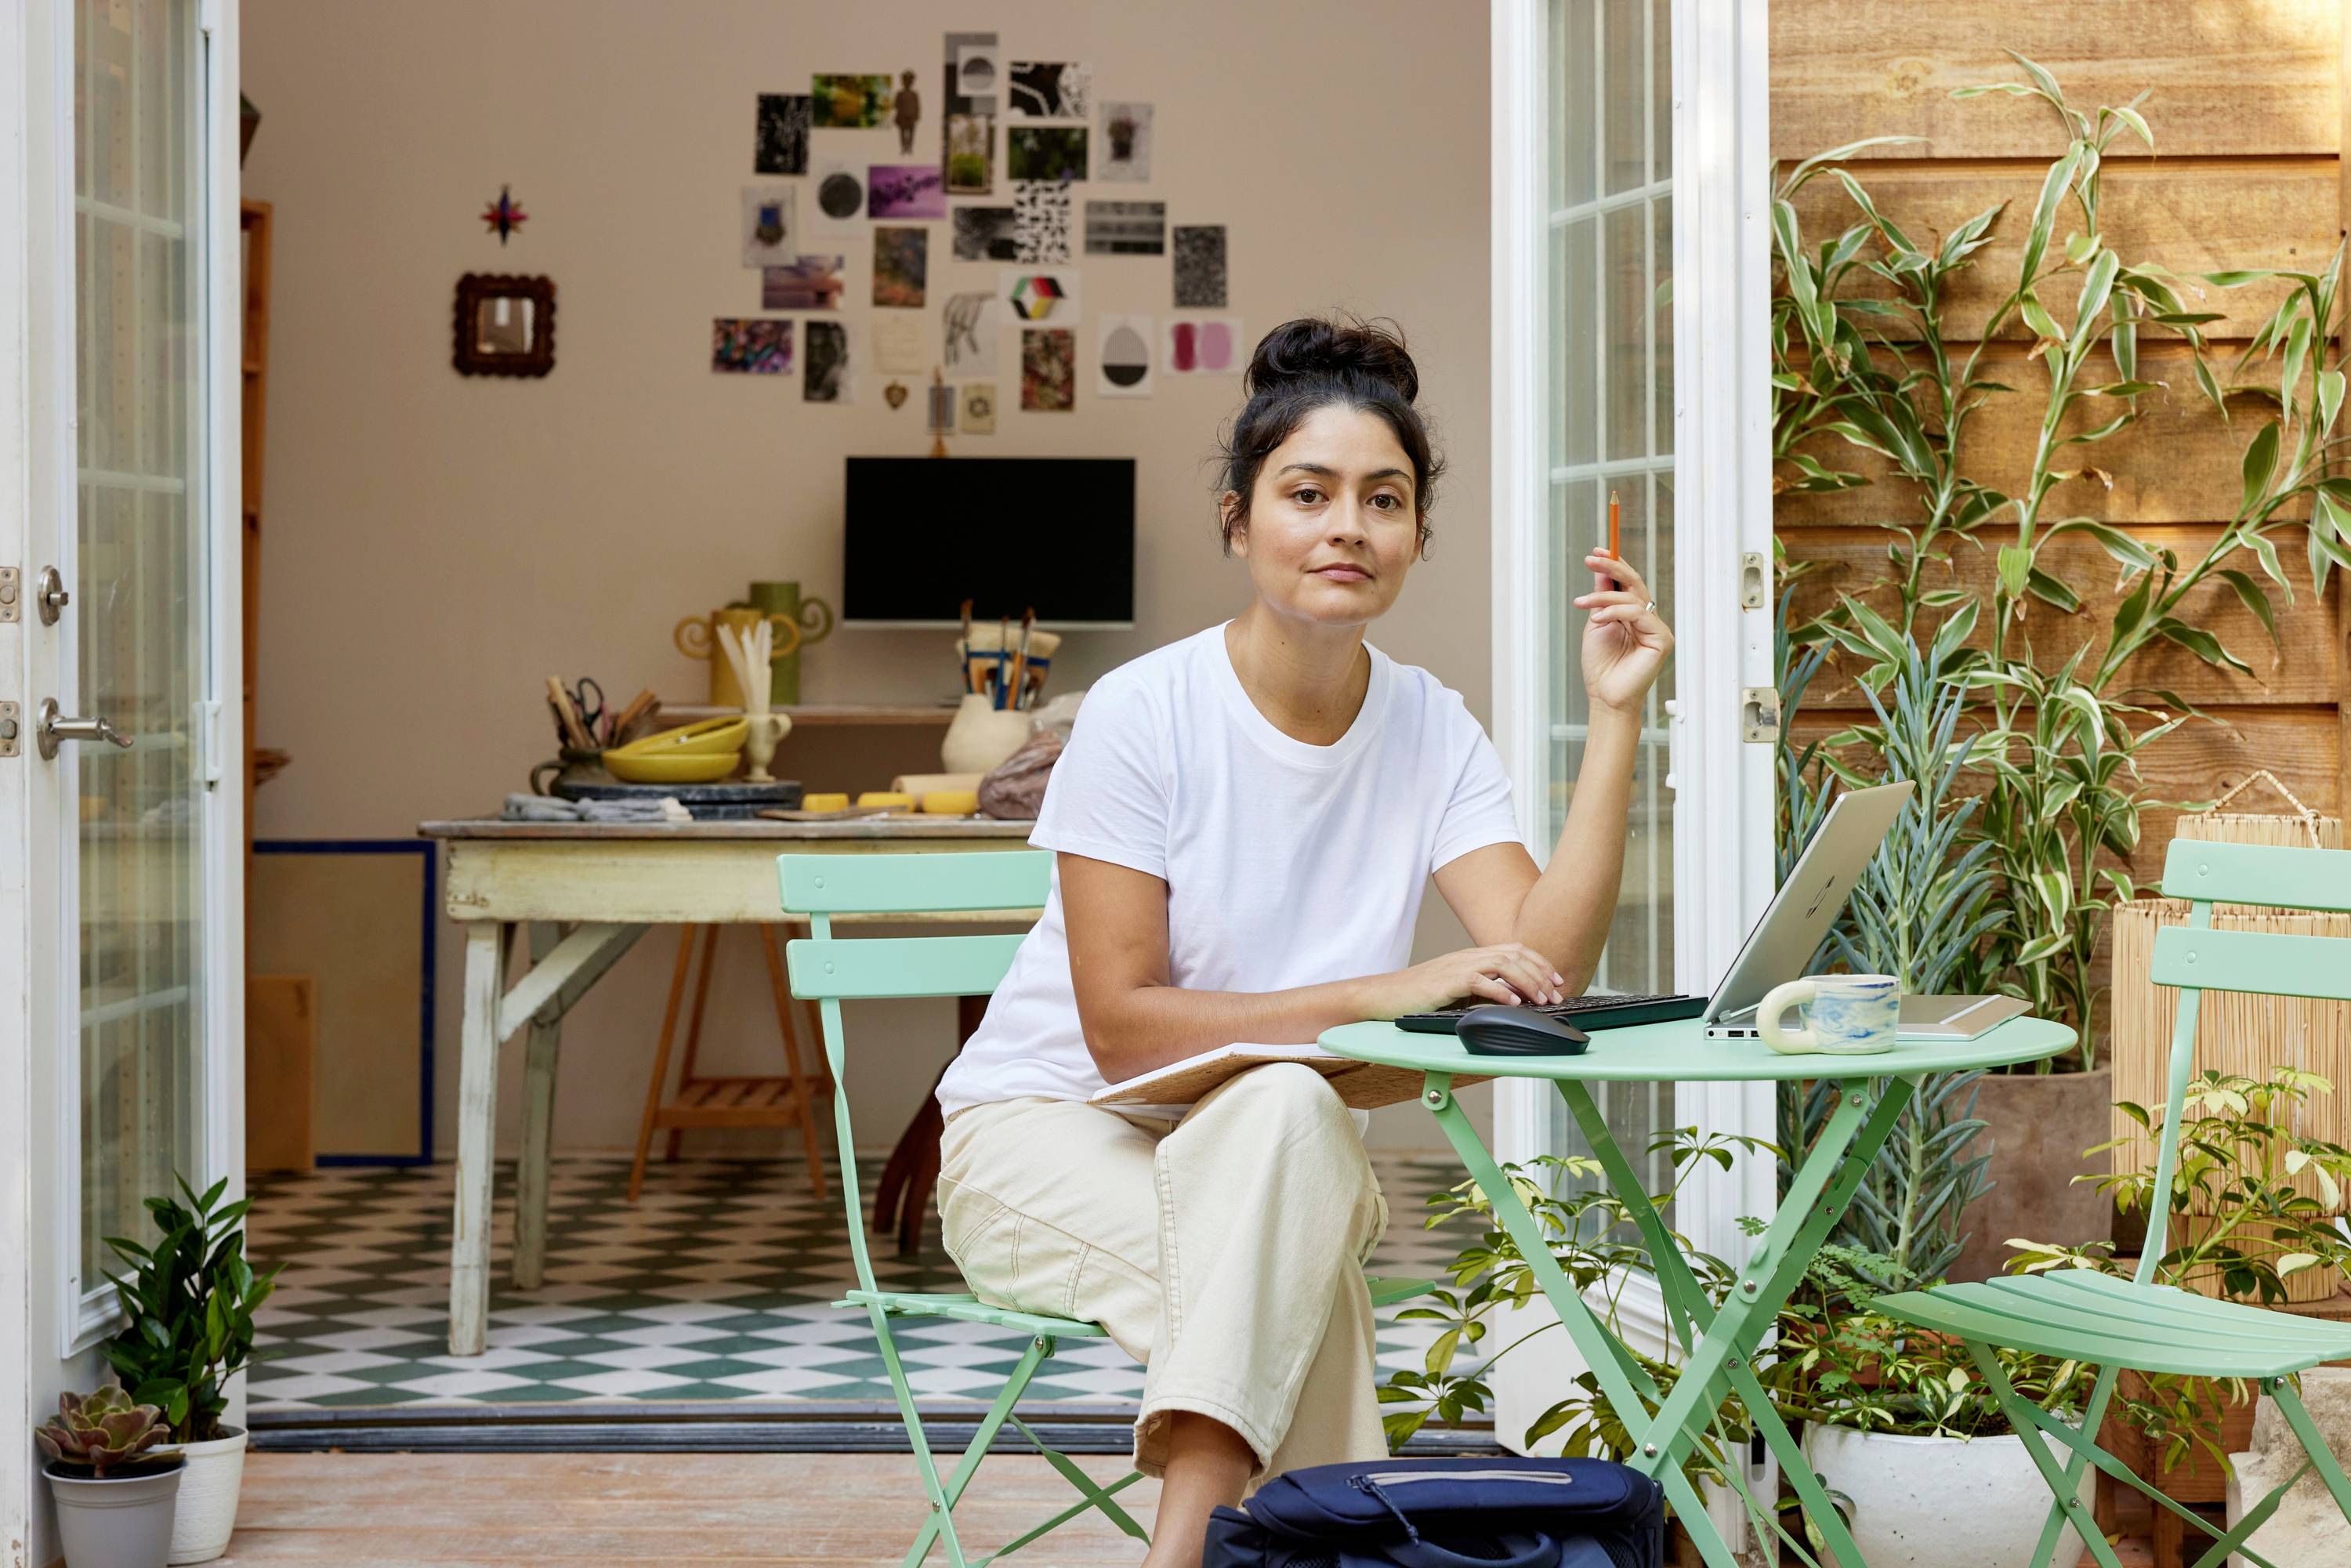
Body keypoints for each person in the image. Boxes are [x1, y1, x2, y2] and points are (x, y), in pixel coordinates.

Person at [933, 313, 1674, 1566]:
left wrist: (1613, 722)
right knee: (1293, 1248)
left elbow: (1543, 968)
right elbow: (1122, 1028)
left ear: (1418, 537)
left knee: (1285, 1122)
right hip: (1048, 1136)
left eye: (1384, 499)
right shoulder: (1142, 712)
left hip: (1274, 1146)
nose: (1349, 525)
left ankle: (1201, 1552)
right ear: (1239, 519)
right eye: (1308, 492)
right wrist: (1406, 984)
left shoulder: (1431, 725)